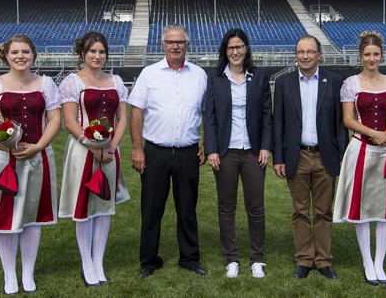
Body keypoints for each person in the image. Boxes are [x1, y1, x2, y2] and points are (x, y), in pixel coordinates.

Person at [0, 34, 61, 295]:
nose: (20, 56)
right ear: (6, 56)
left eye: (25, 52)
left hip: (37, 156)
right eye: (15, 52)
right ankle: (10, 274)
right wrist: (3, 142)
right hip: (3, 159)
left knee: (32, 217)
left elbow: (55, 119)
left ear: (33, 55)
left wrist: (39, 146)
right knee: (5, 216)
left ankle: (28, 273)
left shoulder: (46, 84)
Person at [332, 31, 386, 286]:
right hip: (362, 149)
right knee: (364, 206)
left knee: (385, 208)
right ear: (360, 56)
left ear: (381, 55)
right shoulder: (351, 84)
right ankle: (368, 261)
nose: (371, 58)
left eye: (375, 54)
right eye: (367, 54)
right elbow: (348, 120)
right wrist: (374, 133)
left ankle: (380, 262)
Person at [128, 24, 208, 278]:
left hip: (188, 152)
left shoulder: (199, 75)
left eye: (180, 42)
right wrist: (138, 149)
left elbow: (207, 112)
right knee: (151, 208)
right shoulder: (149, 74)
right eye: (170, 42)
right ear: (162, 45)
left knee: (187, 207)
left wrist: (207, 142)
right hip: (155, 153)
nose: (175, 46)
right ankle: (149, 261)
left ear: (187, 45)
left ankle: (190, 258)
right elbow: (136, 111)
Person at [273, 34, 348, 279]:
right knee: (300, 211)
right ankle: (304, 259)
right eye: (300, 52)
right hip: (297, 156)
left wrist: (341, 154)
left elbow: (340, 123)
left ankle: (324, 260)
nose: (305, 56)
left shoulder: (335, 82)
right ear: (295, 55)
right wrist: (279, 158)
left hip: (326, 156)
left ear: (319, 54)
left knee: (324, 211)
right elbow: (279, 124)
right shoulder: (284, 83)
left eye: (310, 51)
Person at [58, 31, 130, 286]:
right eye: (92, 52)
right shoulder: (72, 82)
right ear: (83, 54)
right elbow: (69, 121)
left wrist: (111, 147)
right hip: (82, 150)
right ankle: (86, 263)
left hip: (109, 151)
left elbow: (122, 119)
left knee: (103, 208)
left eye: (101, 52)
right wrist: (93, 146)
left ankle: (98, 261)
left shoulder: (116, 81)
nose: (97, 56)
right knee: (85, 208)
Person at [204, 28, 273, 278]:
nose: (235, 51)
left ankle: (257, 259)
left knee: (256, 207)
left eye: (239, 46)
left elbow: (267, 114)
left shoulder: (259, 76)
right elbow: (209, 116)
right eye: (231, 47)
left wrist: (266, 146)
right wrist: (211, 149)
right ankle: (231, 258)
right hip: (225, 153)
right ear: (225, 51)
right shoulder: (215, 78)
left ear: (246, 49)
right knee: (226, 206)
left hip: (254, 153)